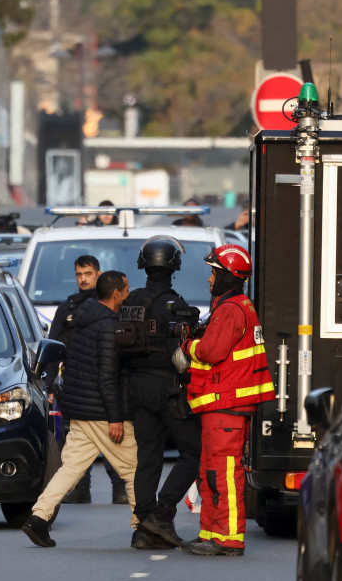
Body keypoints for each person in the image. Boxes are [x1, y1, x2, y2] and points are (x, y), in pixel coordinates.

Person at [21, 271, 138, 547]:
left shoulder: (85, 320)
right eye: (127, 289)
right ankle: (144, 526)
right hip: (100, 412)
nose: (129, 294)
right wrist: (115, 417)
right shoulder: (108, 326)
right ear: (117, 294)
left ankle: (38, 518)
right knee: (135, 469)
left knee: (70, 469)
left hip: (80, 409)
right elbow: (107, 375)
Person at [176, 244, 275, 556]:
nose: (209, 279)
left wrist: (187, 345)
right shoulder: (232, 306)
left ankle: (229, 538)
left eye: (214, 273)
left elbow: (210, 352)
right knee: (210, 471)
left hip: (226, 405)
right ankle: (211, 532)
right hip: (220, 404)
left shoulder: (231, 310)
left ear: (229, 277)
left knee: (224, 473)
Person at [123, 235, 202, 550]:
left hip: (135, 387)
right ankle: (162, 512)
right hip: (167, 389)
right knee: (194, 451)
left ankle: (143, 528)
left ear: (144, 264)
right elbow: (182, 357)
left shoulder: (130, 301)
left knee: (148, 458)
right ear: (175, 266)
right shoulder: (176, 306)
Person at [47, 254, 130, 504]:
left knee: (112, 436)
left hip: (106, 379)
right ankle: (80, 488)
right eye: (79, 275)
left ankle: (119, 488)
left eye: (88, 274)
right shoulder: (69, 307)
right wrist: (49, 382)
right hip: (77, 382)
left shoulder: (113, 305)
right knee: (76, 440)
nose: (83, 279)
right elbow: (54, 345)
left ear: (98, 274)